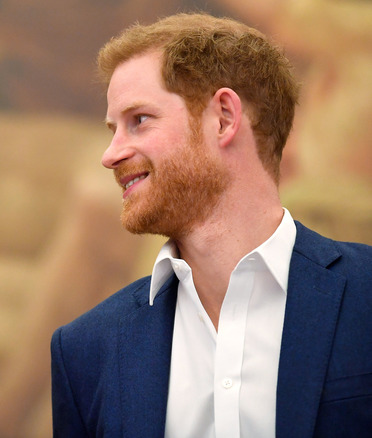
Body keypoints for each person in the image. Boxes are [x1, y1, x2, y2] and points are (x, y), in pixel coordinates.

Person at [50, 12, 372, 438]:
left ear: (223, 117)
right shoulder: (85, 349)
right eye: (113, 129)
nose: (110, 154)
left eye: (139, 120)